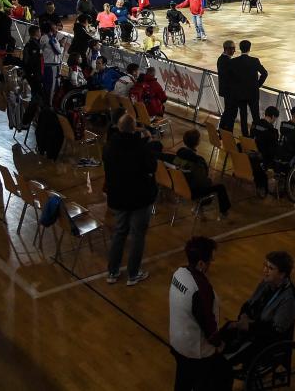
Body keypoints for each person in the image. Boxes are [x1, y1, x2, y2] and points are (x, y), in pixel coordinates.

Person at [168, 236, 231, 391]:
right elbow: (207, 323)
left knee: (182, 381)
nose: (211, 264)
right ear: (201, 264)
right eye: (210, 260)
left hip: (177, 342)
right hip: (195, 351)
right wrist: (218, 343)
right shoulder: (200, 288)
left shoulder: (178, 273)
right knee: (223, 374)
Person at [105, 114, 158, 287]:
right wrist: (148, 143)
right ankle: (133, 273)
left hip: (118, 196)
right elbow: (152, 167)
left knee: (119, 232)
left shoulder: (110, 146)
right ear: (134, 128)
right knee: (137, 236)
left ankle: (113, 271)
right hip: (139, 197)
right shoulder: (140, 148)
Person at [223, 251, 295, 361]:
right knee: (224, 332)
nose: (265, 271)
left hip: (264, 342)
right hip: (252, 330)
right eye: (265, 266)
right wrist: (243, 316)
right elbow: (249, 303)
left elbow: (275, 331)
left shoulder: (289, 298)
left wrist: (249, 326)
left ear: (282, 274)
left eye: (270, 268)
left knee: (224, 359)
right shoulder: (266, 283)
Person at [174, 130, 231, 218]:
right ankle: (224, 212)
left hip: (180, 186)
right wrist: (209, 181)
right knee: (219, 187)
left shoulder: (179, 153)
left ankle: (199, 207)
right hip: (192, 190)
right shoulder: (198, 160)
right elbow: (201, 180)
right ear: (197, 142)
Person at [223, 41, 268, 135]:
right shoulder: (254, 61)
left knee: (243, 117)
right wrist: (258, 85)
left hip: (240, 94)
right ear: (249, 48)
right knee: (256, 116)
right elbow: (264, 73)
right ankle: (256, 135)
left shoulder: (233, 61)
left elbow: (229, 77)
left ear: (240, 48)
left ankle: (245, 137)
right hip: (253, 93)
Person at [40, 22, 64, 99]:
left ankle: (46, 102)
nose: (55, 26)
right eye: (54, 25)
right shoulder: (50, 38)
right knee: (52, 86)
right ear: (50, 28)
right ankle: (50, 104)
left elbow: (41, 50)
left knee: (47, 84)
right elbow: (59, 51)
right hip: (53, 65)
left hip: (47, 64)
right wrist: (62, 45)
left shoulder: (43, 37)